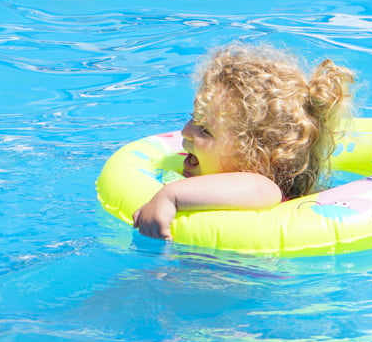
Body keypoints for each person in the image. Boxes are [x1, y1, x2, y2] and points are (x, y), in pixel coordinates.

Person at [133, 42, 355, 240]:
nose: (186, 131)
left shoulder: (262, 188)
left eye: (205, 130)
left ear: (252, 155)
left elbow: (262, 189)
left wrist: (170, 196)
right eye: (193, 118)